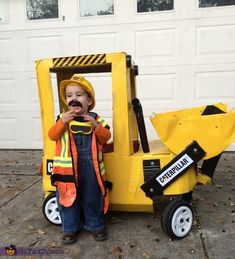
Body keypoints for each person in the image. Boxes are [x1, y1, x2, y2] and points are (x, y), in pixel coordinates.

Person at [48, 74, 111, 244]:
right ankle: (70, 229)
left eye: (79, 95)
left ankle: (95, 225)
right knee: (69, 198)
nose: (73, 99)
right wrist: (62, 122)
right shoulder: (62, 120)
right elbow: (52, 136)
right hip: (67, 169)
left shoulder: (96, 119)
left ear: (89, 101)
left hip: (91, 168)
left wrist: (96, 126)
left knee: (92, 196)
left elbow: (106, 137)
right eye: (69, 96)